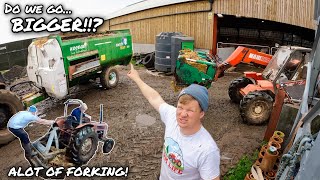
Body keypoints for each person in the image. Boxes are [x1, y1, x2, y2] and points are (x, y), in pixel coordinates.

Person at [127, 64, 220, 180]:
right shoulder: (172, 116)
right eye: (180, 107)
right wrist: (137, 78)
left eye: (190, 110)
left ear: (201, 114)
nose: (182, 114)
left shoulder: (207, 150)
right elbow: (154, 98)